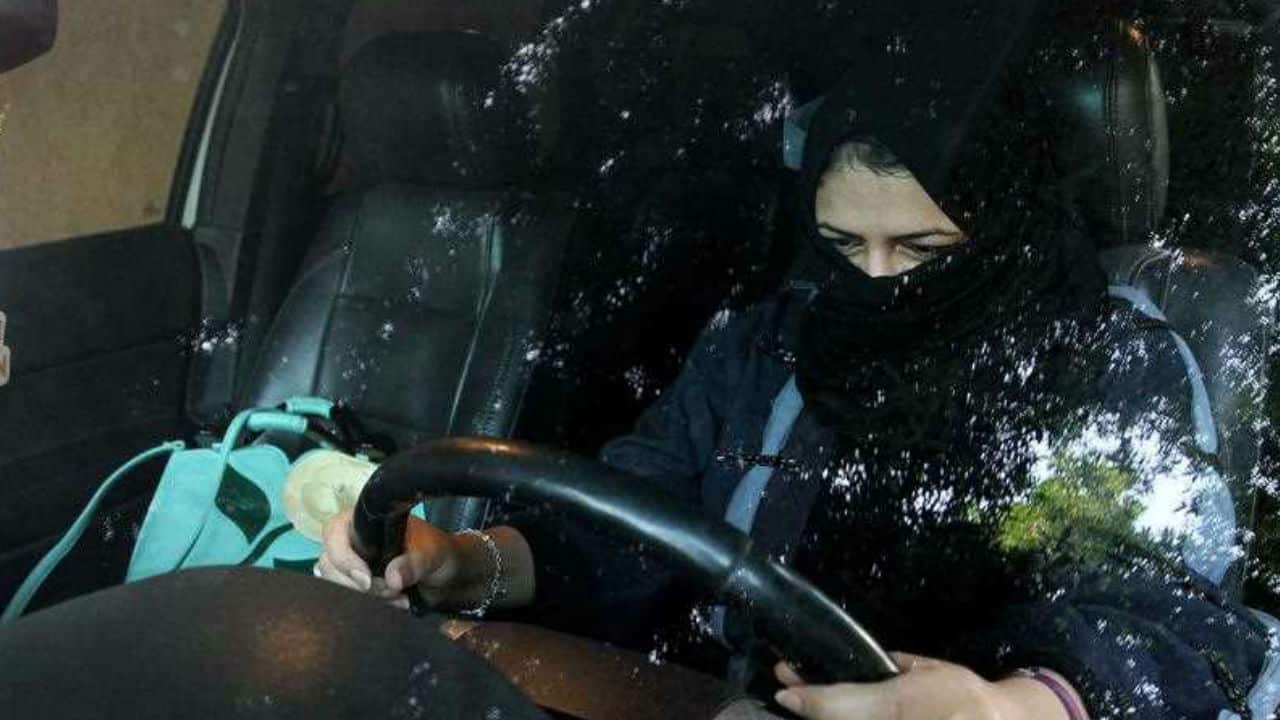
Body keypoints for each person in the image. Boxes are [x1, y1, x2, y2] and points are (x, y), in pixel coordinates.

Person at [317, 42, 1271, 720]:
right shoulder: (767, 346)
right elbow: (625, 526)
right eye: (843, 244)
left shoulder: (1104, 368)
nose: (877, 280)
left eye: (923, 246)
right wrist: (463, 562)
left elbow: (1174, 618)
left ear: (1004, 221)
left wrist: (1015, 705)